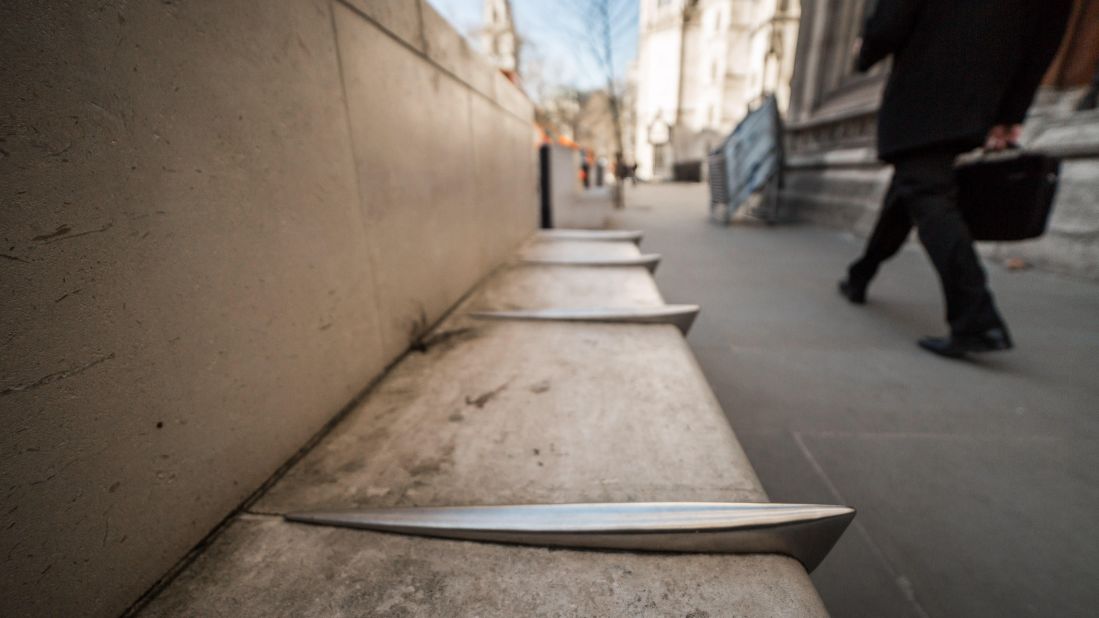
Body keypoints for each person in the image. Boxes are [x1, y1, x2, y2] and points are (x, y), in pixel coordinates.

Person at [838, 0, 1071, 358]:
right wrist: (1010, 111)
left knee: (927, 192)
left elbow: (893, 18)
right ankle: (860, 275)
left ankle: (977, 320)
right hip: (982, 94)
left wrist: (866, 48)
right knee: (912, 186)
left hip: (928, 86)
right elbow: (1044, 38)